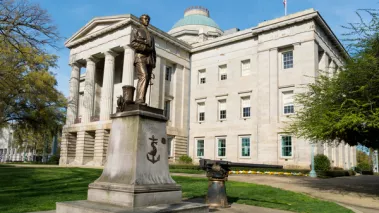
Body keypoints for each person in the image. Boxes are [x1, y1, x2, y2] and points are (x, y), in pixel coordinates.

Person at [129, 14, 156, 105]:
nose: (147, 20)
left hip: (149, 59)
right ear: (141, 20)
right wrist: (145, 47)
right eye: (145, 19)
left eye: (148, 19)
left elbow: (153, 50)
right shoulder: (136, 30)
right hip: (140, 57)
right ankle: (139, 100)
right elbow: (133, 43)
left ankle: (142, 100)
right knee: (143, 76)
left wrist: (154, 61)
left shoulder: (151, 36)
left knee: (147, 79)